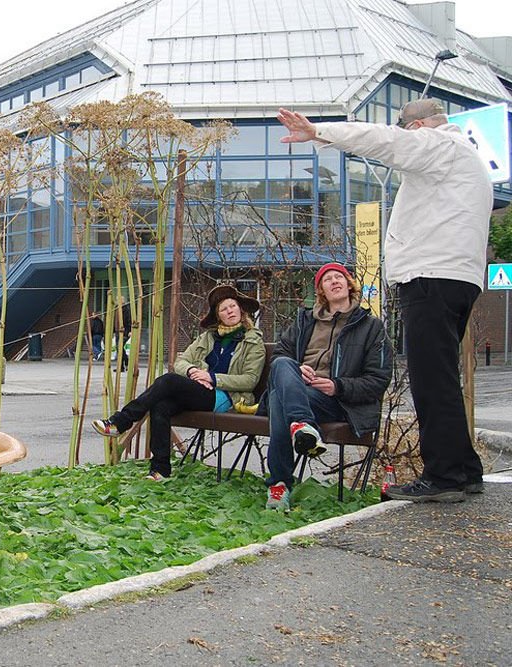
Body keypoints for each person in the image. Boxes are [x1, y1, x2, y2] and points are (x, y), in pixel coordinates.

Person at [277, 101, 492, 503]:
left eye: (409, 130)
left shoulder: (438, 146)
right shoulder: (468, 162)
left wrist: (321, 131)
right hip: (459, 277)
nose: (407, 136)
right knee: (442, 377)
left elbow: (386, 141)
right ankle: (463, 469)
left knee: (431, 379)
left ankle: (443, 477)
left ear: (420, 125)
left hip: (430, 276)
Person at [92, 284, 265, 481]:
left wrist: (212, 378)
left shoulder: (252, 340)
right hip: (201, 391)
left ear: (241, 309)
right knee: (160, 405)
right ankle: (160, 470)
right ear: (219, 316)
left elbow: (250, 380)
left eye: (232, 306)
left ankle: (120, 422)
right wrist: (193, 371)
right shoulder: (208, 337)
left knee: (169, 381)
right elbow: (180, 362)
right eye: (224, 309)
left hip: (227, 396)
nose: (230, 311)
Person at [262, 263, 391, 510]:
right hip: (299, 391)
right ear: (321, 290)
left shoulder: (371, 327)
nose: (334, 281)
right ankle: (302, 425)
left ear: (348, 284)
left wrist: (336, 386)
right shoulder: (304, 322)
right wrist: (297, 369)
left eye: (339, 276)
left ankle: (279, 485)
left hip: (337, 402)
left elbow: (378, 379)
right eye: (327, 279)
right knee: (284, 366)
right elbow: (279, 356)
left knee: (279, 398)